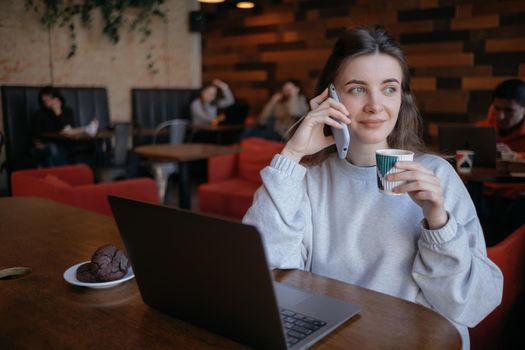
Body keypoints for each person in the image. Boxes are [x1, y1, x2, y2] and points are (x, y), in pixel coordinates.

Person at [243, 27, 502, 349]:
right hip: (334, 339)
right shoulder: (306, 178)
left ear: (402, 97)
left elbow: (474, 304)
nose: (375, 105)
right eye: (357, 89)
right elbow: (265, 274)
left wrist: (439, 222)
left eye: (389, 88)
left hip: (418, 340)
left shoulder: (437, 176)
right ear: (329, 97)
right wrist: (292, 155)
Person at [477, 79, 525, 160]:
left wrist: (516, 157)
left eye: (509, 110)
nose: (500, 116)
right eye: (497, 108)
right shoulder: (482, 129)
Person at [30, 86, 75, 166]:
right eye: (44, 98)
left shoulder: (67, 111)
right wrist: (38, 143)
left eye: (50, 97)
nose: (47, 100)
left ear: (58, 98)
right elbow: (34, 134)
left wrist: (58, 113)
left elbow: (69, 130)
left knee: (50, 158)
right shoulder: (39, 114)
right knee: (52, 148)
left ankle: (56, 176)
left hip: (63, 144)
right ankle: (65, 174)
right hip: (42, 146)